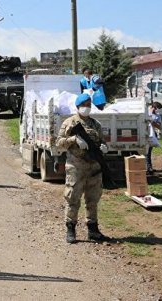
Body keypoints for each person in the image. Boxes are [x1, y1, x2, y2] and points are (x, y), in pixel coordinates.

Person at [56, 93, 110, 244]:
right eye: (84, 104)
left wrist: (104, 147)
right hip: (76, 167)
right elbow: (59, 143)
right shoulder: (69, 123)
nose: (87, 107)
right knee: (73, 198)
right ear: (78, 106)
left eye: (88, 104)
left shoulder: (95, 124)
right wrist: (74, 139)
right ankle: (70, 229)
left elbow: (101, 141)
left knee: (93, 199)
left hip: (94, 167)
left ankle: (93, 230)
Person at [145, 102, 162, 175]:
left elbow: (159, 126)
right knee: (145, 151)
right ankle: (147, 167)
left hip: (152, 134)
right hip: (144, 133)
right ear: (153, 107)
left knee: (148, 152)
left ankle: (149, 167)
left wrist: (152, 122)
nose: (157, 111)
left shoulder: (157, 115)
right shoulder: (145, 112)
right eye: (156, 109)